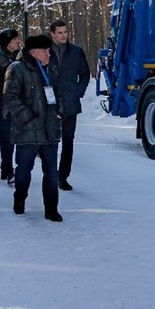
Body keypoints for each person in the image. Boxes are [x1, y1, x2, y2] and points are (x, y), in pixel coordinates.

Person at [4, 33, 63, 222]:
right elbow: (10, 98)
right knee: (23, 171)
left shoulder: (52, 69)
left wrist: (60, 110)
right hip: (27, 130)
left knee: (52, 174)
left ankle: (51, 209)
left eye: (49, 50)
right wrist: (27, 116)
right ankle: (19, 198)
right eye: (45, 51)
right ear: (33, 52)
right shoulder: (17, 69)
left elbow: (60, 94)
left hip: (50, 130)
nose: (48, 54)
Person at [47, 19, 90, 191]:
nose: (64, 35)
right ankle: (50, 174)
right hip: (50, 105)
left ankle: (63, 176)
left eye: (65, 32)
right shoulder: (45, 51)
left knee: (68, 142)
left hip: (71, 104)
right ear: (52, 34)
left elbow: (85, 74)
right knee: (50, 142)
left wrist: (77, 92)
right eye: (60, 32)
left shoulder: (76, 52)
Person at [0, 28, 21, 184]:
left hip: (19, 105)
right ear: (7, 43)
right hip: (3, 106)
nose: (18, 42)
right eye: (15, 40)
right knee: (6, 141)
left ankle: (8, 168)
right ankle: (8, 169)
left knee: (18, 139)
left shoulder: (21, 57)